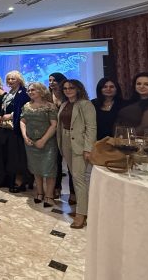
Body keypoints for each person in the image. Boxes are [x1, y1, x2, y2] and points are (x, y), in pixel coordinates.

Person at [57, 79, 97, 229]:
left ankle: (81, 214)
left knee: (79, 179)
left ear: (78, 89)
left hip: (80, 144)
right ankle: (83, 208)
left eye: (71, 88)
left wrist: (88, 148)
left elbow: (91, 127)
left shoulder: (86, 104)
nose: (68, 90)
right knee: (74, 177)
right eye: (65, 88)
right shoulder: (64, 104)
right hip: (66, 141)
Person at [20, 82, 59, 207]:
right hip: (31, 143)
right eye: (29, 90)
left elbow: (54, 125)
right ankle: (39, 192)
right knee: (36, 169)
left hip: (47, 143)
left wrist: (43, 140)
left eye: (33, 90)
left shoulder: (50, 106)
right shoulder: (26, 106)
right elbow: (23, 121)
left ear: (41, 91)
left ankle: (49, 196)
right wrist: (25, 137)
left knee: (49, 169)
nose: (30, 92)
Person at [0, 71, 30, 193]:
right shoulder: (9, 93)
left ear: (19, 80)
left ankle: (20, 181)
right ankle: (12, 179)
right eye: (9, 79)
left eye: (13, 79)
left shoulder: (24, 92)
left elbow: (25, 109)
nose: (10, 81)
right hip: (7, 129)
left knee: (18, 156)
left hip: (17, 128)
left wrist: (11, 115)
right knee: (11, 156)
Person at [49, 72, 68, 199]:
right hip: (50, 131)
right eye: (50, 80)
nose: (51, 83)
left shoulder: (67, 94)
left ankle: (72, 192)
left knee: (68, 162)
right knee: (55, 161)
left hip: (65, 131)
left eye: (54, 80)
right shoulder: (47, 95)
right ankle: (55, 188)